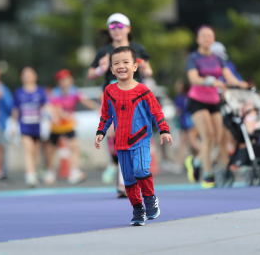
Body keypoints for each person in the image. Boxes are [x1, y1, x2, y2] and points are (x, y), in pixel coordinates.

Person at [95, 46, 172, 226]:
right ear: (112, 69)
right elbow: (106, 115)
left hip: (141, 139)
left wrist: (164, 129)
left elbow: (156, 111)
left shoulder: (143, 90)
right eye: (116, 63)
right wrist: (101, 131)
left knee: (141, 171)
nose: (121, 66)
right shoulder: (109, 91)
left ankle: (150, 198)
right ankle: (137, 209)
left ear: (135, 67)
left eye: (126, 62)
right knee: (128, 179)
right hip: (120, 142)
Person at [87, 13, 152, 197]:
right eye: (112, 27)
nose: (116, 31)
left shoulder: (138, 49)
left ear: (128, 29)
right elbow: (91, 74)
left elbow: (148, 70)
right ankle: (122, 179)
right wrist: (102, 67)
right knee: (118, 134)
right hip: (113, 95)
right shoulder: (105, 50)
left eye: (120, 26)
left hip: (134, 95)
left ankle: (123, 175)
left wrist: (146, 69)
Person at [185, 26, 246, 189]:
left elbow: (229, 77)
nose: (206, 38)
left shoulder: (218, 58)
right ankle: (208, 175)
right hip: (197, 100)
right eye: (203, 36)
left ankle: (195, 161)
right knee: (208, 136)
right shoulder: (193, 58)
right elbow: (193, 78)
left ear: (213, 39)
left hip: (214, 101)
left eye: (209, 36)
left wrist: (241, 84)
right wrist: (210, 81)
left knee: (217, 138)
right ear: (197, 39)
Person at [47, 69, 99, 184]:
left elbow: (85, 101)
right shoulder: (55, 93)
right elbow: (58, 110)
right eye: (64, 79)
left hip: (68, 125)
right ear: (59, 82)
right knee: (51, 150)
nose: (67, 81)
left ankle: (74, 172)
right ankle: (50, 172)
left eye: (68, 78)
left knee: (75, 146)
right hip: (56, 126)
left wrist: (97, 107)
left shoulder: (74, 91)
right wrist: (68, 117)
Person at [12, 67, 49, 187]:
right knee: (28, 150)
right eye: (25, 75)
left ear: (35, 76)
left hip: (37, 127)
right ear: (22, 77)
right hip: (25, 127)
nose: (28, 77)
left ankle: (34, 173)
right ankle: (30, 177)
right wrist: (13, 126)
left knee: (35, 153)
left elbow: (46, 106)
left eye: (30, 74)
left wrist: (50, 119)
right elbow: (16, 111)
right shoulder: (19, 92)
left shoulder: (40, 91)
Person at [168, 79, 200, 174]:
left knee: (193, 143)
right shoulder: (189, 96)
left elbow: (178, 111)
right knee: (184, 143)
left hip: (188, 123)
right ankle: (180, 163)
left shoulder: (181, 98)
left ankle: (205, 155)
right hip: (189, 123)